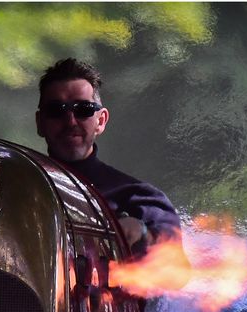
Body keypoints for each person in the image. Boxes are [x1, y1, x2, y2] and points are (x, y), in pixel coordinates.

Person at [36, 58, 182, 254]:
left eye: (83, 110)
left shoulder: (137, 197)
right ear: (40, 122)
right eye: (56, 111)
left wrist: (143, 234)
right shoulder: (13, 191)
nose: (70, 121)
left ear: (101, 121)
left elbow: (176, 268)